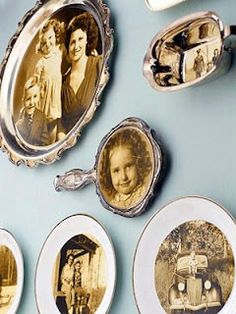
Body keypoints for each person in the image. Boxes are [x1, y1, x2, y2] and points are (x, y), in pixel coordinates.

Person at [61, 12, 102, 133]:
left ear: (87, 41)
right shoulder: (62, 84)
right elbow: (61, 125)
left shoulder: (98, 63)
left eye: (80, 39)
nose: (76, 46)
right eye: (72, 42)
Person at [99, 129, 153, 209]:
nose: (123, 177)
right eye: (116, 170)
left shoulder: (144, 192)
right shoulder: (113, 203)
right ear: (109, 173)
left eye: (128, 166)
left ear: (138, 164)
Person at [35, 18, 65, 142]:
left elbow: (69, 61)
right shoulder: (41, 63)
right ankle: (45, 144)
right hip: (44, 98)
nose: (48, 44)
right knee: (43, 127)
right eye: (44, 42)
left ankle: (53, 144)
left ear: (56, 35)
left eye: (50, 38)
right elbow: (36, 82)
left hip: (55, 96)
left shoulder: (60, 51)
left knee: (54, 121)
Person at [16, 76, 50, 146]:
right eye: (28, 98)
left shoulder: (41, 116)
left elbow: (45, 142)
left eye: (35, 96)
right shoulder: (19, 121)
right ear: (23, 100)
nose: (32, 102)